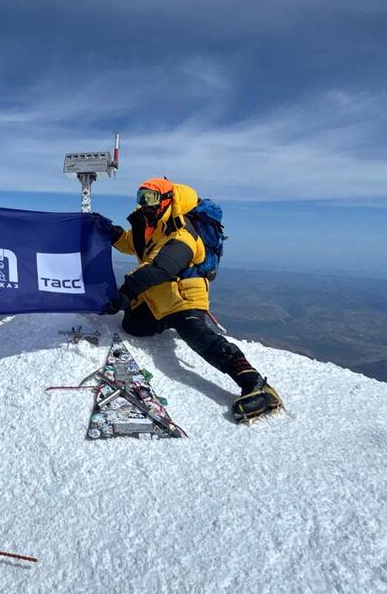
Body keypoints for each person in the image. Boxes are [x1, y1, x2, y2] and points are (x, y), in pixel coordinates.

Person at [96, 177, 282, 421]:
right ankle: (162, 322)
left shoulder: (182, 233)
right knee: (132, 326)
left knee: (197, 336)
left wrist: (125, 293)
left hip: (185, 297)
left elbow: (161, 268)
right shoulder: (151, 227)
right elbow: (132, 244)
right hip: (158, 300)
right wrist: (110, 232)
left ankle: (254, 383)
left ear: (166, 200)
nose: (144, 204)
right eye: (141, 197)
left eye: (150, 198)